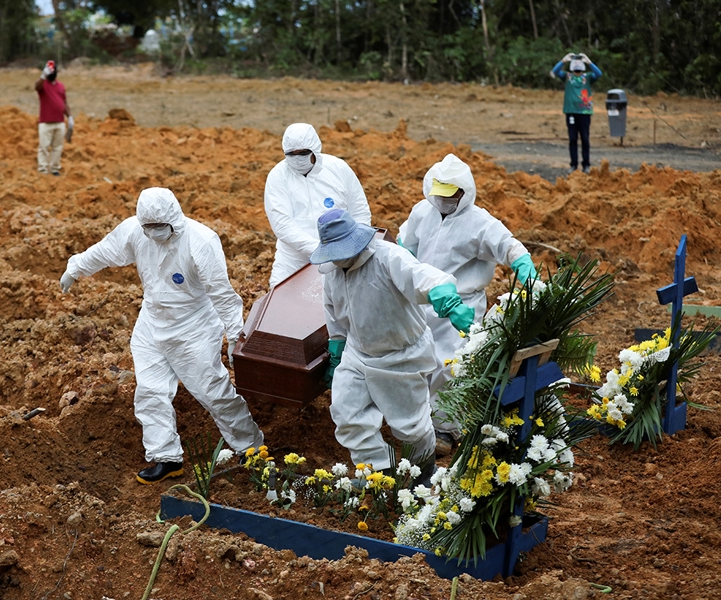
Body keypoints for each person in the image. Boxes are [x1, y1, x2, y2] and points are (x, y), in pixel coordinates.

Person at [59, 187, 264, 484]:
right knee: (150, 391)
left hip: (193, 325)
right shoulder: (135, 232)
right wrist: (75, 268)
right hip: (152, 320)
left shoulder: (201, 241)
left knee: (212, 391)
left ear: (174, 220)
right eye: (149, 228)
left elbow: (222, 294)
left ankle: (252, 448)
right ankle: (165, 457)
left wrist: (236, 335)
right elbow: (105, 251)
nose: (154, 233)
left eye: (160, 227)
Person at [311, 208, 474, 484]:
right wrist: (337, 350)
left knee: (412, 426)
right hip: (358, 353)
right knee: (347, 414)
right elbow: (333, 312)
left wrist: (447, 298)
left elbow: (422, 276)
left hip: (402, 354)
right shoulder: (334, 272)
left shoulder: (387, 257)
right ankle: (379, 472)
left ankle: (423, 472)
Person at [397, 154, 536, 454]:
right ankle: (418, 424)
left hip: (461, 307)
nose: (443, 202)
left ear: (463, 193)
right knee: (417, 363)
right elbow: (405, 244)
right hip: (423, 301)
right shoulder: (423, 212)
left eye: (450, 196)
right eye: (439, 195)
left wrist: (522, 263)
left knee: (451, 366)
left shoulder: (479, 223)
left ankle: (445, 428)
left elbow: (508, 245)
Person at [264, 123, 372, 287]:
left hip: (342, 254)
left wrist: (353, 247)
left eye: (303, 153)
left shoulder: (338, 169)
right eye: (292, 154)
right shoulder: (277, 177)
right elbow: (282, 224)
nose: (298, 158)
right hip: (294, 259)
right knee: (281, 299)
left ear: (315, 149)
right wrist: (319, 250)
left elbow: (359, 210)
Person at [550, 52, 603, 174]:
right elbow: (555, 71)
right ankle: (573, 164)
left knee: (585, 138)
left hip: (584, 112)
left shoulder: (588, 77)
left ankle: (586, 164)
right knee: (572, 139)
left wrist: (589, 62)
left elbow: (599, 74)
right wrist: (564, 60)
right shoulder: (568, 77)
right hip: (571, 112)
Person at [35, 60, 73, 176]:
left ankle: (55, 168)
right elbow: (37, 86)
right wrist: (43, 76)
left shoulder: (61, 86)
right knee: (44, 147)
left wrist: (70, 116)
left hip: (59, 121)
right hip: (45, 122)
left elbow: (64, 102)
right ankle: (43, 168)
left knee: (58, 147)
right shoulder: (43, 85)